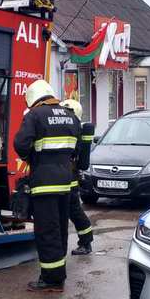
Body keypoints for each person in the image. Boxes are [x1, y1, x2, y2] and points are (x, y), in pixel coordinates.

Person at [14, 80, 81, 293]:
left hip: (43, 183)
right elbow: (77, 147)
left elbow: (20, 144)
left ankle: (51, 279)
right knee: (60, 228)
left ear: (33, 98)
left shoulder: (34, 115)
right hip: (65, 182)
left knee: (46, 231)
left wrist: (32, 157)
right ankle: (58, 275)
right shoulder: (70, 115)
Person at [60, 99, 95, 255]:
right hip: (69, 176)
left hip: (70, 178)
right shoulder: (74, 130)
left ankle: (86, 242)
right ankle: (86, 240)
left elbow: (74, 156)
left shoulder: (75, 133)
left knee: (74, 211)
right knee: (74, 211)